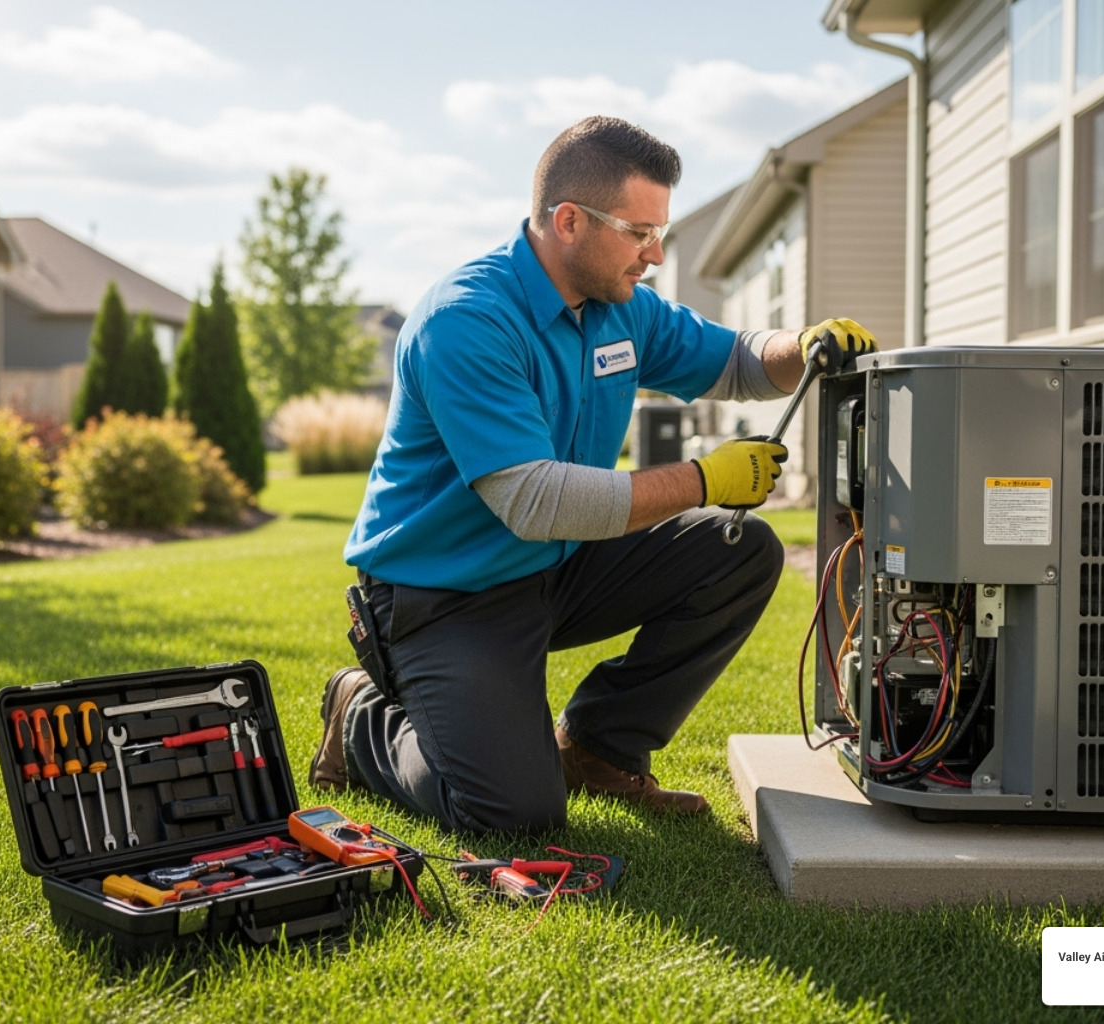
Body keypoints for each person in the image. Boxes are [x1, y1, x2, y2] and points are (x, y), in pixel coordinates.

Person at [311, 115, 876, 833]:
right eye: (639, 233)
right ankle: (360, 715)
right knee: (511, 812)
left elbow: (735, 358)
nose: (656, 253)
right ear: (569, 221)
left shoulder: (621, 310)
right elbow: (534, 500)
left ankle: (598, 747)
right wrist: (705, 479)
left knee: (739, 551)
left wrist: (800, 344)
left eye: (658, 231)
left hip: (557, 566)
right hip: (446, 594)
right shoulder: (468, 319)